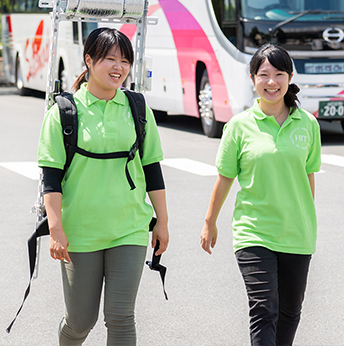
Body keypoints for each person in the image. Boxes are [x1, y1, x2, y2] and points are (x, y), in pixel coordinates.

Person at [38, 27, 169, 346]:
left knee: (121, 317)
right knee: (81, 320)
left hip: (129, 228)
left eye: (125, 61)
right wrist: (56, 229)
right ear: (88, 60)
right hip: (80, 231)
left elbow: (151, 168)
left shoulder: (137, 108)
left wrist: (162, 221)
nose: (118, 67)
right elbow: (51, 178)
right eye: (110, 59)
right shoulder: (64, 112)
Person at [200, 44, 321, 346]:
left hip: (296, 232)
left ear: (290, 77)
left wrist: (305, 218)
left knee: (290, 312)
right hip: (254, 231)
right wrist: (209, 221)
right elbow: (225, 178)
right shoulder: (239, 127)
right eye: (264, 74)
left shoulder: (308, 124)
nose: (271, 82)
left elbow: (309, 177)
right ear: (253, 79)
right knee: (264, 308)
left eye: (279, 74)